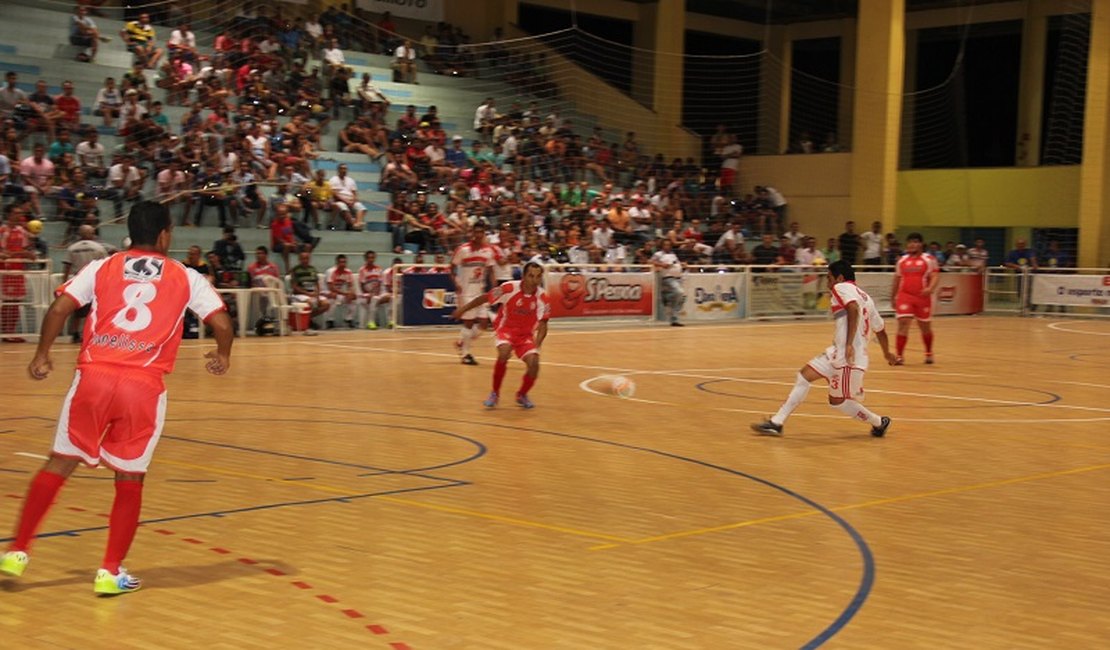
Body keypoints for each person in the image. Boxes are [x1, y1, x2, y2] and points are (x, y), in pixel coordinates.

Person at [0, 201, 234, 595]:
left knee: (59, 462)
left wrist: (42, 354)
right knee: (130, 476)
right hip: (142, 386)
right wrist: (222, 354)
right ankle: (109, 572)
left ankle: (18, 551)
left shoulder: (101, 266)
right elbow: (222, 323)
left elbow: (59, 308)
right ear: (165, 234)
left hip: (94, 375)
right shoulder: (186, 276)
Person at [751, 260, 895, 437]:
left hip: (849, 357)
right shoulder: (867, 298)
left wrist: (849, 343)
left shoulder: (841, 287)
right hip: (838, 352)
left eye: (828, 278)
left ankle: (879, 422)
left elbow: (852, 308)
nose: (827, 283)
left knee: (838, 402)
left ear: (839, 278)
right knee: (804, 375)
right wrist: (887, 353)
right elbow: (880, 329)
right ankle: (777, 422)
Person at [451, 261, 550, 409]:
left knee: (534, 364)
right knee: (504, 352)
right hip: (506, 329)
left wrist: (538, 345)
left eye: (537, 277)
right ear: (523, 276)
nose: (534, 280)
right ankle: (495, 393)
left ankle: (522, 394)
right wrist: (463, 309)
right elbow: (484, 298)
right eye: (531, 276)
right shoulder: (509, 288)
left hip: (525, 335)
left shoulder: (543, 297)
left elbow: (543, 324)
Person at [451, 224, 500, 365]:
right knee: (468, 323)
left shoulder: (488, 251)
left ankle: (461, 342)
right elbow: (452, 268)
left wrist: (495, 287)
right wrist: (456, 282)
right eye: (476, 232)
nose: (478, 235)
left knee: (484, 324)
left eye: (481, 232)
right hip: (466, 292)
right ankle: (465, 354)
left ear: (484, 234)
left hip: (480, 292)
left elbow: (491, 270)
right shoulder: (463, 250)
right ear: (472, 233)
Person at [891, 232, 940, 365]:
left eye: (915, 242)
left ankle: (929, 352)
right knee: (903, 324)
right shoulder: (902, 261)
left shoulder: (929, 259)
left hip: (923, 298)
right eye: (910, 242)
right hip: (905, 296)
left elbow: (935, 275)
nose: (912, 244)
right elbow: (896, 279)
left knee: (925, 327)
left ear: (921, 244)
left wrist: (930, 289)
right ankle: (899, 356)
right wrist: (892, 297)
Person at [62, 224, 110, 342]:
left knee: (78, 309)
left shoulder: (72, 248)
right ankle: (92, 333)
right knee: (95, 308)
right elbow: (106, 265)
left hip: (78, 280)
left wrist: (64, 282)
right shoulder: (99, 248)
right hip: (95, 280)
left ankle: (75, 333)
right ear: (92, 234)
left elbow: (67, 266)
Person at [652, 239, 685, 326]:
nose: (667, 246)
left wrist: (682, 265)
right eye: (665, 245)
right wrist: (662, 265)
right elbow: (652, 261)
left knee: (681, 298)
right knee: (679, 292)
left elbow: (676, 263)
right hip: (668, 277)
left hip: (678, 277)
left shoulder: (673, 255)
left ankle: (674, 319)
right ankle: (666, 297)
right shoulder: (658, 254)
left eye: (669, 245)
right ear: (662, 246)